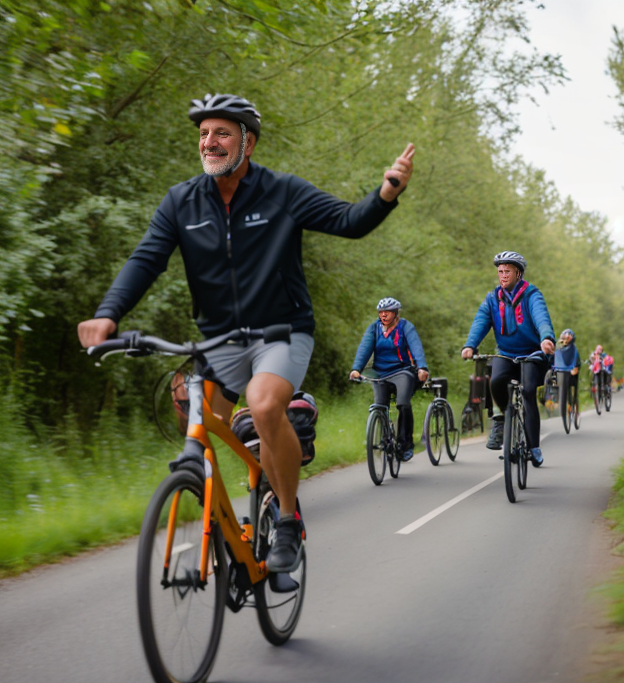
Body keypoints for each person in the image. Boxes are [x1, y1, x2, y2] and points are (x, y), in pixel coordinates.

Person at [77, 93, 414, 573]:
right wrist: (108, 315)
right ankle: (224, 525)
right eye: (203, 135)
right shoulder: (181, 201)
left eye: (222, 133)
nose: (209, 143)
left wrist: (387, 193)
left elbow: (348, 221)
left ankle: (289, 519)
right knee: (188, 413)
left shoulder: (282, 192)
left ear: (247, 143)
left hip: (282, 331)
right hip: (218, 340)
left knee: (261, 402)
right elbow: (146, 259)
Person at [461, 251, 555, 466]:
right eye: (500, 271)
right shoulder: (492, 298)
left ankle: (534, 446)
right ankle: (502, 419)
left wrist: (546, 338)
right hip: (505, 352)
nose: (503, 275)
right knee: (495, 381)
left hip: (533, 353)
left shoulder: (532, 294)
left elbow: (541, 317)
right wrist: (470, 344)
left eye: (507, 271)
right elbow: (481, 321)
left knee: (529, 391)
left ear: (518, 273)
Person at [349, 297, 429, 461]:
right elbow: (364, 348)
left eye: (387, 312)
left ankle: (405, 444)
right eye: (381, 312)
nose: (383, 315)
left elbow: (416, 347)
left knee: (403, 404)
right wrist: (356, 369)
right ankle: (385, 439)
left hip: (402, 371)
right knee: (379, 406)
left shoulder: (405, 327)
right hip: (380, 374)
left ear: (395, 313)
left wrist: (422, 367)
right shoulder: (374, 328)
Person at [553, 328, 581, 396]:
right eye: (564, 339)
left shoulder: (573, 350)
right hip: (559, 371)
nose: (565, 341)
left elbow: (577, 361)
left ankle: (573, 398)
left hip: (568, 372)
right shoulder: (557, 348)